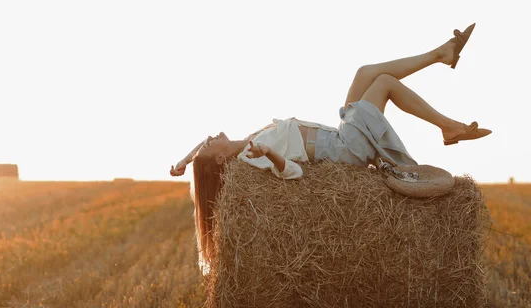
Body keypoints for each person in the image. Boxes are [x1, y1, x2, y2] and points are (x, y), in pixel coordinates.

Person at [169, 23, 491, 273]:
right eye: (210, 145)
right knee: (383, 83)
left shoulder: (240, 145)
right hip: (344, 150)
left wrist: (185, 160)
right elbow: (292, 173)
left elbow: (206, 146)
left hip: (338, 135)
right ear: (223, 158)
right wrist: (269, 154)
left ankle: (442, 54)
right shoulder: (251, 157)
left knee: (364, 72)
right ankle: (448, 126)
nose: (210, 137)